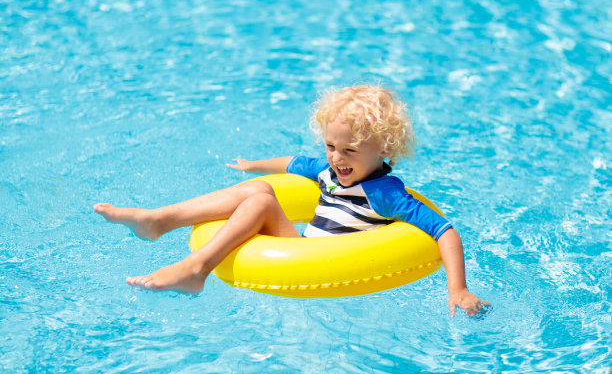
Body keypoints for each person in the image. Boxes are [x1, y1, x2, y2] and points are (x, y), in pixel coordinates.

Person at [94, 85, 490, 316]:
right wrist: (253, 166)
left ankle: (194, 266)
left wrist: (457, 289)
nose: (336, 158)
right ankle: (158, 221)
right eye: (330, 146)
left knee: (261, 201)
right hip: (301, 249)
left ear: (384, 149)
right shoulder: (328, 172)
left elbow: (444, 231)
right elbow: (292, 163)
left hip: (327, 266)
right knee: (261, 190)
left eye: (349, 150)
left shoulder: (386, 194)